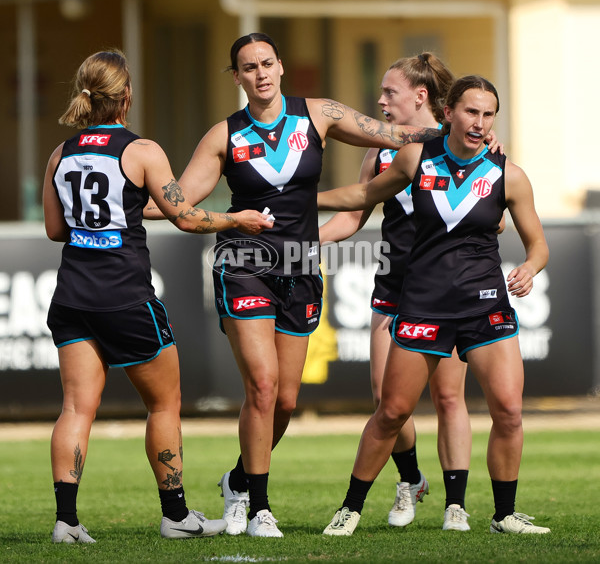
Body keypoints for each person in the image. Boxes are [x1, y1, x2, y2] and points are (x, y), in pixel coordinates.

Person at [145, 32, 442, 538]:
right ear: (236, 77)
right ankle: (257, 505)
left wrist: (463, 134)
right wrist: (227, 218)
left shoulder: (319, 113)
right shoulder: (224, 135)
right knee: (261, 386)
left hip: (302, 269)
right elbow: (174, 204)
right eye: (247, 67)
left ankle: (236, 480)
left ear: (280, 66)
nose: (259, 73)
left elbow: (396, 136)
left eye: (266, 63)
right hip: (242, 264)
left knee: (284, 401)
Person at [42, 50, 273, 544]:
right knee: (164, 405)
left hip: (72, 299)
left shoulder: (60, 154)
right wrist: (239, 219)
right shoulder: (141, 150)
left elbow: (55, 229)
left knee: (76, 409)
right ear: (126, 95)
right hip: (125, 297)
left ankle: (66, 522)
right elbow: (186, 217)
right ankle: (176, 516)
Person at [319, 75, 550, 536]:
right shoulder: (414, 156)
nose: (479, 123)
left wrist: (529, 268)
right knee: (391, 411)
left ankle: (503, 514)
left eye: (488, 115)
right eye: (470, 112)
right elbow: (363, 197)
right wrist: (301, 203)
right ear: (448, 113)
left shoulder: (509, 174)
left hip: (485, 306)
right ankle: (350, 508)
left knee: (508, 410)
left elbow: (538, 244)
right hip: (423, 304)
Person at [320, 53, 476, 531]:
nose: (381, 100)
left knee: (448, 396)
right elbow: (352, 216)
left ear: (420, 96)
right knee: (385, 399)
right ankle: (410, 481)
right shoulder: (381, 152)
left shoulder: (467, 145)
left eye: (390, 92)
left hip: (448, 290)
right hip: (394, 286)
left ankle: (456, 505)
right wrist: (299, 235)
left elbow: (497, 210)